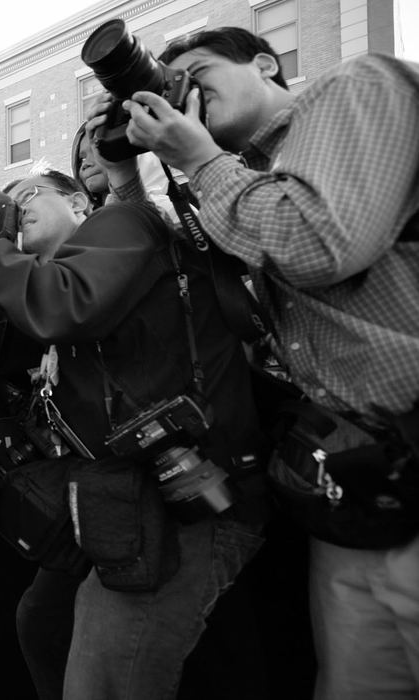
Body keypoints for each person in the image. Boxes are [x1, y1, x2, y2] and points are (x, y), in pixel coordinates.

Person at [109, 26, 419, 699]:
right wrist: (125, 173)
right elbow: (178, 294)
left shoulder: (354, 87)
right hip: (355, 483)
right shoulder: (239, 186)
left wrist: (198, 160)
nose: (181, 93)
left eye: (193, 72)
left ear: (265, 63)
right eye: (168, 86)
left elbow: (316, 241)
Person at [0, 164, 269, 700]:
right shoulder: (42, 274)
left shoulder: (122, 224)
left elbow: (61, 306)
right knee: (43, 624)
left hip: (191, 500)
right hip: (121, 501)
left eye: (30, 193)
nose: (16, 205)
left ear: (80, 204)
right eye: (9, 200)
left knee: (102, 681)